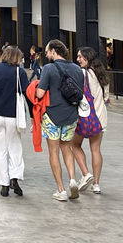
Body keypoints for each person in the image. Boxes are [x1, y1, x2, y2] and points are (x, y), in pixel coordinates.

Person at [36, 39, 85, 201]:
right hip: (71, 115)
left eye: (48, 51)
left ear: (54, 51)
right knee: (67, 147)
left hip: (52, 115)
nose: (46, 54)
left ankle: (61, 190)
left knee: (53, 151)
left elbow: (40, 94)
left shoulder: (49, 68)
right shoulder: (78, 69)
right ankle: (72, 180)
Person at [0, 46, 29, 197]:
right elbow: (26, 93)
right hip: (13, 115)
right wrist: (33, 115)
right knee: (15, 147)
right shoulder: (21, 72)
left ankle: (3, 184)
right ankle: (15, 178)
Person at [71, 46, 110, 195]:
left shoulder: (82, 73)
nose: (78, 59)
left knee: (74, 145)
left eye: (80, 57)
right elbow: (106, 98)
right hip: (100, 118)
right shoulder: (102, 76)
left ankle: (86, 173)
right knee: (96, 149)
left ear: (88, 57)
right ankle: (96, 184)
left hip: (84, 117)